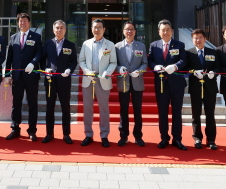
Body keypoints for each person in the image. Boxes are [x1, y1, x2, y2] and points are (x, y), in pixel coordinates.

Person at [147, 19, 188, 150]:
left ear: (172, 31)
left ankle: (177, 139)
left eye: (168, 30)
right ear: (159, 32)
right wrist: (155, 66)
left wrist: (175, 66)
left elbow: (183, 60)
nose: (166, 32)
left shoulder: (179, 45)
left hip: (176, 83)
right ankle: (164, 138)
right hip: (161, 83)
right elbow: (150, 60)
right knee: (162, 112)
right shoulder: (154, 45)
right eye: (163, 30)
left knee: (177, 111)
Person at [78, 18, 117, 148]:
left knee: (104, 109)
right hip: (88, 81)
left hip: (103, 80)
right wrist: (87, 72)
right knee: (87, 109)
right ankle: (88, 134)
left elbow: (113, 62)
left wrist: (107, 72)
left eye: (99, 27)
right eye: (95, 27)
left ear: (104, 29)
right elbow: (81, 60)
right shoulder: (86, 44)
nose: (97, 29)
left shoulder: (110, 45)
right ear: (91, 29)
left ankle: (104, 135)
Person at [5, 12, 43, 141]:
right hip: (17, 76)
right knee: (16, 103)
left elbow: (39, 53)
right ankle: (15, 128)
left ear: (29, 23)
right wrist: (7, 74)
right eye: (20, 21)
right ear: (18, 23)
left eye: (25, 21)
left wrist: (33, 63)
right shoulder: (13, 37)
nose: (23, 23)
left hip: (31, 76)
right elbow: (9, 57)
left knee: (32, 103)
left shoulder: (36, 37)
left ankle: (32, 130)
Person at [40, 20, 77, 144]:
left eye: (61, 28)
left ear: (65, 30)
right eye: (57, 28)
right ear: (53, 30)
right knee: (50, 107)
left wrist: (69, 69)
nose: (59, 30)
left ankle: (66, 134)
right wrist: (45, 69)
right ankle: (49, 133)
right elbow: (42, 59)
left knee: (65, 107)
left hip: (64, 80)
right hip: (50, 80)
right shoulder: (48, 44)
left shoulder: (70, 45)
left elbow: (74, 61)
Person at [185, 28, 221, 150]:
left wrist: (213, 73)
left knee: (210, 114)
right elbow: (185, 69)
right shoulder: (189, 53)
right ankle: (197, 138)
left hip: (210, 88)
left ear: (205, 39)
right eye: (195, 38)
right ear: (192, 40)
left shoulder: (213, 52)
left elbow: (218, 67)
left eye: (200, 37)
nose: (198, 40)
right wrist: (193, 72)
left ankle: (211, 140)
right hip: (195, 87)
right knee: (196, 114)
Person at [114, 21, 147, 147]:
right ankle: (123, 136)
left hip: (137, 82)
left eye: (131, 29)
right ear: (123, 31)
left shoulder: (141, 46)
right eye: (127, 29)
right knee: (123, 109)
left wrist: (140, 71)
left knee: (137, 110)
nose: (129, 31)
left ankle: (138, 136)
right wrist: (119, 69)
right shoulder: (117, 47)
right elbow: (114, 63)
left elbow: (144, 63)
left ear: (135, 31)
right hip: (123, 82)